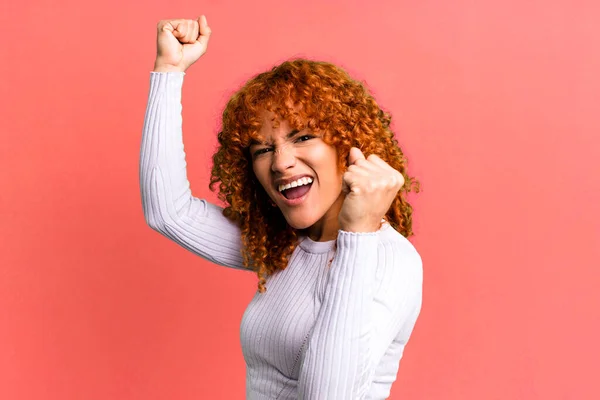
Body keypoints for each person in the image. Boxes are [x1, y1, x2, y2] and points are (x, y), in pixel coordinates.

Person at [140, 15, 423, 400]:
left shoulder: (392, 261)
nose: (280, 162)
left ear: (349, 145)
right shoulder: (281, 244)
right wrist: (169, 71)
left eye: (303, 136)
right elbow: (168, 212)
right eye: (263, 148)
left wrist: (358, 233)